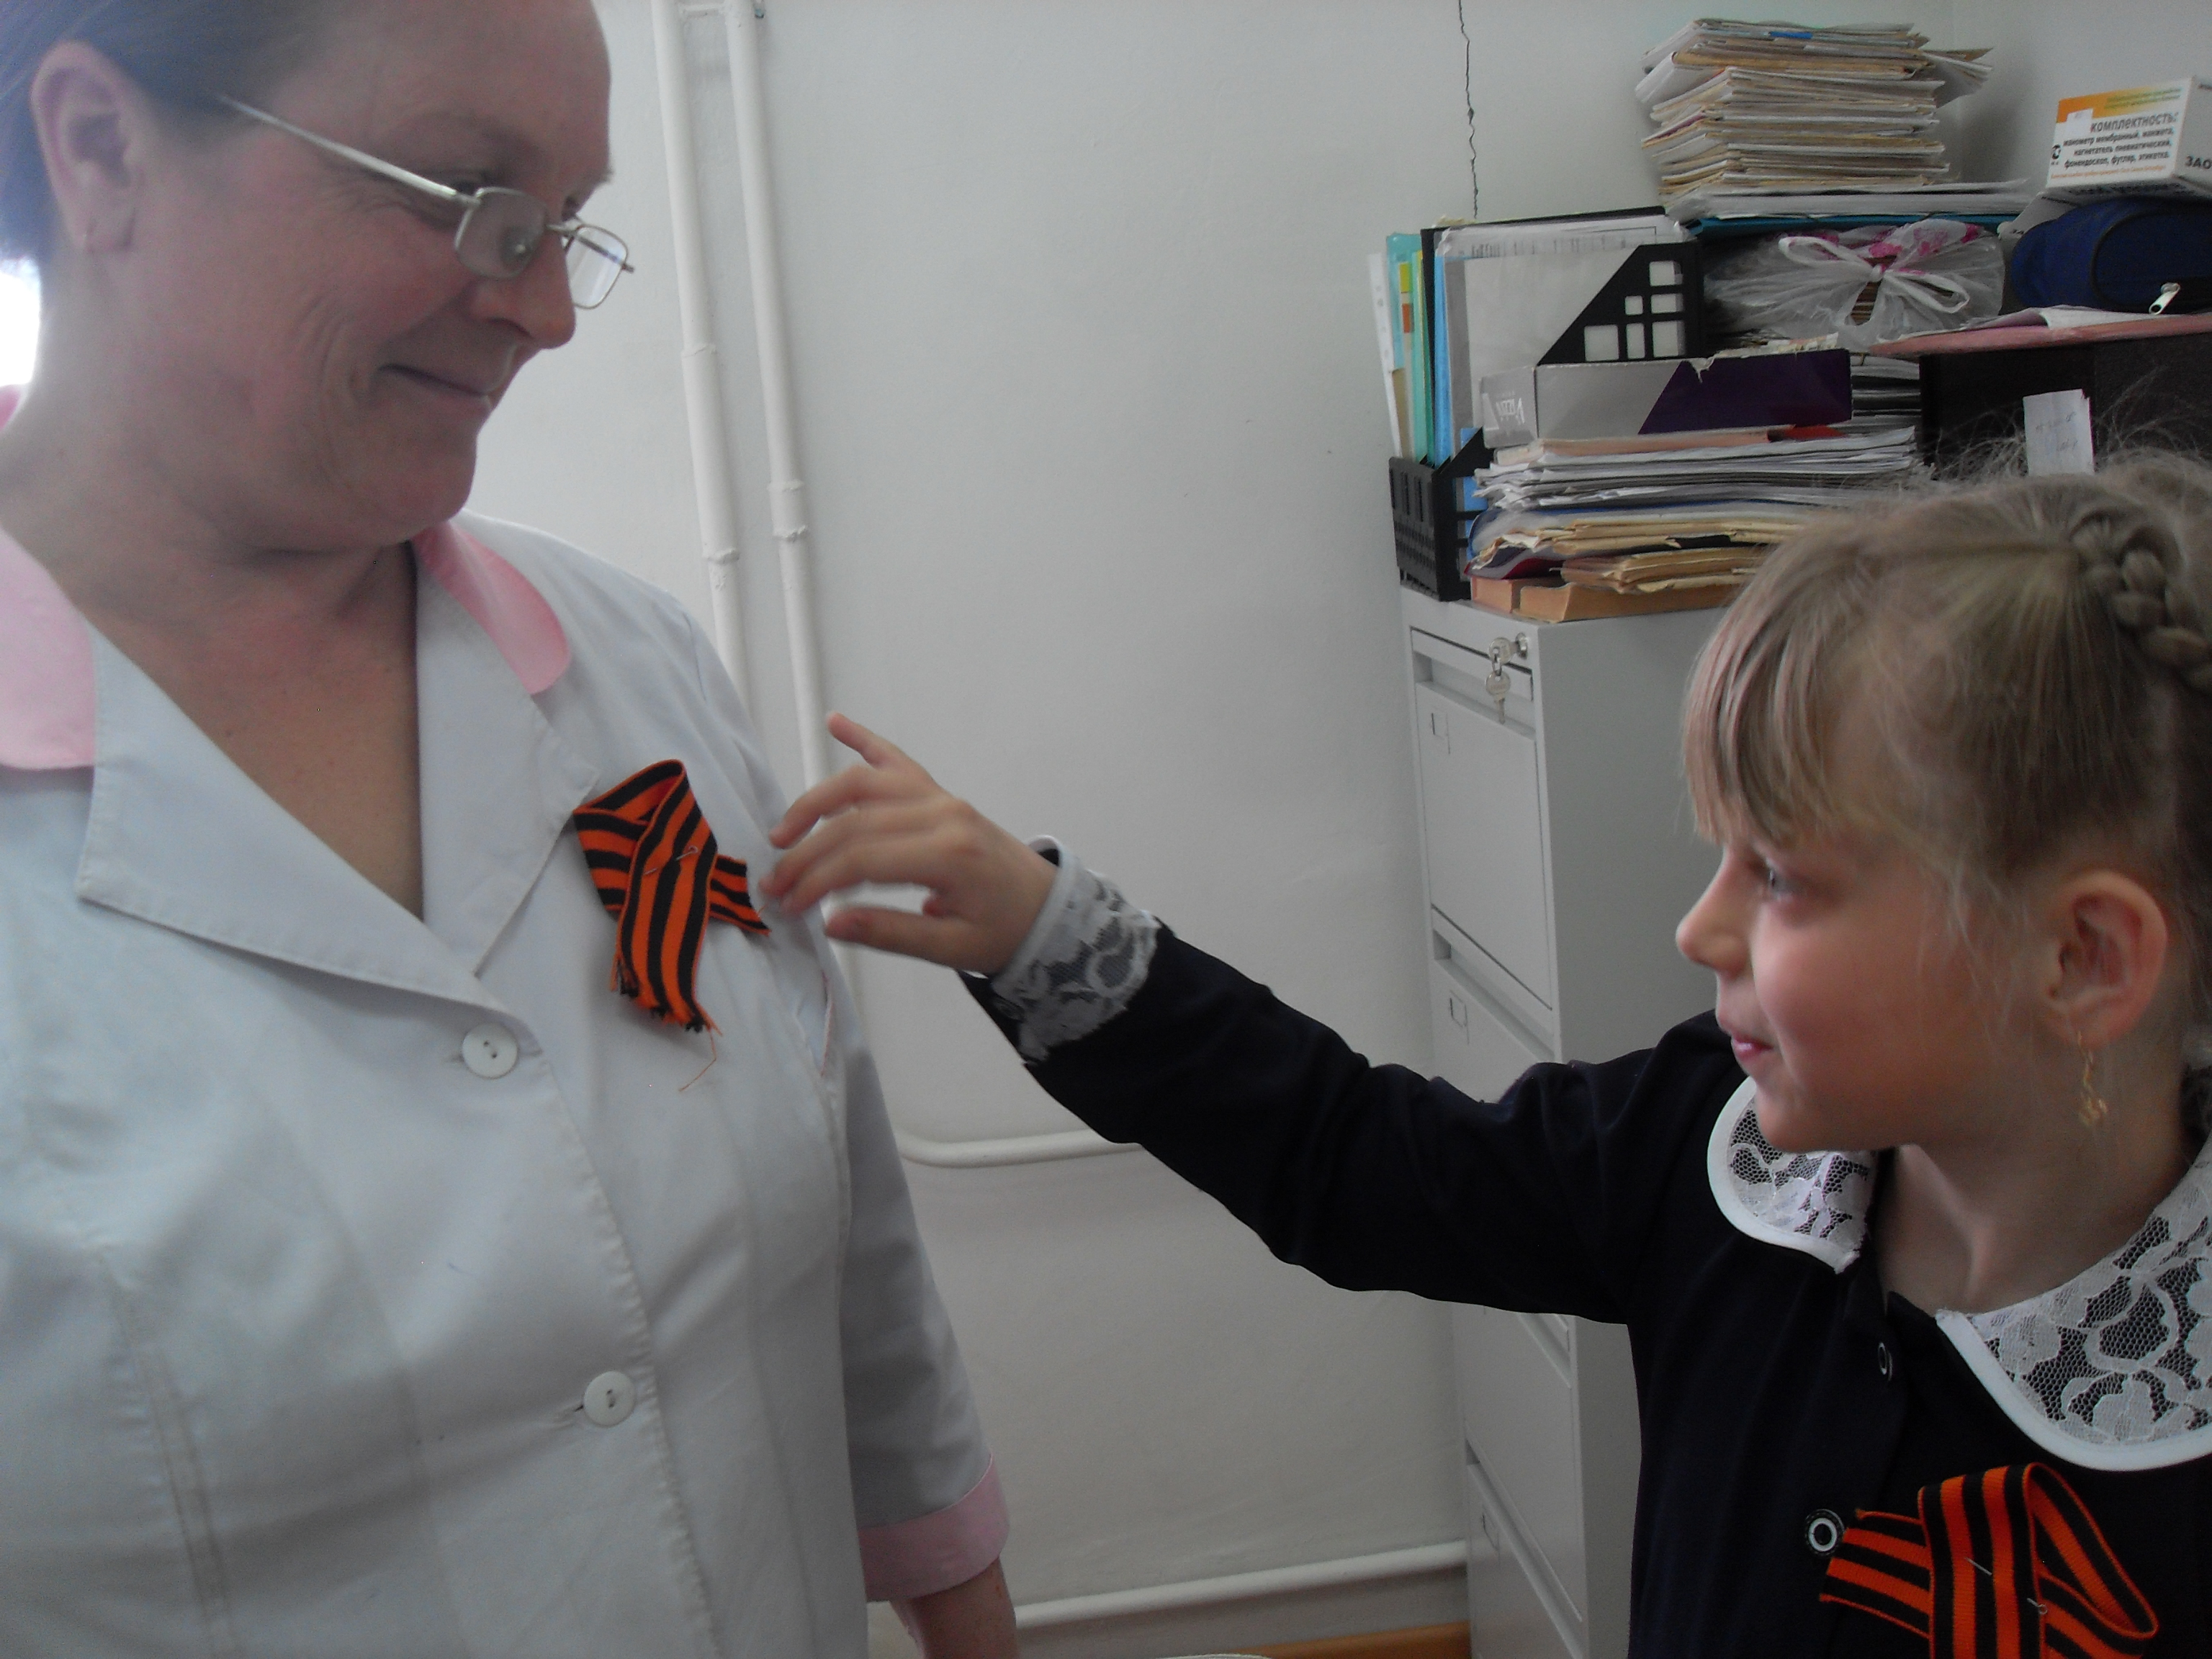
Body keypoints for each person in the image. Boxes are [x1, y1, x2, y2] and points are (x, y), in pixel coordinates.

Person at [765, 459, 2212, 1656]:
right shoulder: (1715, 1146)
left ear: (2083, 959)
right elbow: (1360, 1160)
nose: (1697, 928)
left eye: (1777, 877)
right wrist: (1044, 931)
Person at [0, 4, 1015, 1654]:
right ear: (100, 148)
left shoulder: (629, 674)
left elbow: (842, 1230)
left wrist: (964, 1610)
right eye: (471, 196)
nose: (545, 313)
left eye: (567, 225)